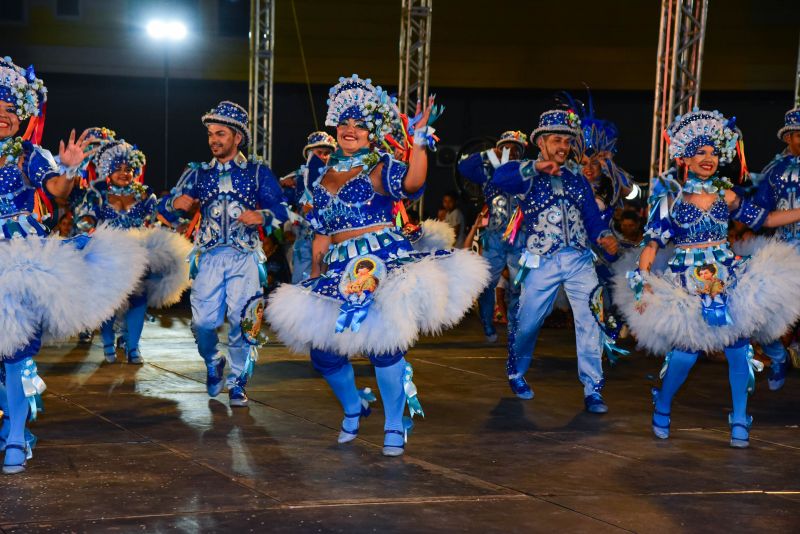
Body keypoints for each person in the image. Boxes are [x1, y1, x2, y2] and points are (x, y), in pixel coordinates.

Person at [267, 75, 489, 457]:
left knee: (385, 347)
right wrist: (315, 273)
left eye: (359, 125)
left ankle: (391, 423)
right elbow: (321, 231)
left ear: (372, 133)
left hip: (381, 259)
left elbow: (414, 182)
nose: (350, 130)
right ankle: (354, 407)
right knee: (324, 352)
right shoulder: (320, 175)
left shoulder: (380, 165)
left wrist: (418, 143)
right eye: (344, 123)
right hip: (337, 265)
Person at [614, 109, 800, 448]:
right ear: (685, 157)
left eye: (714, 152)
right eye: (701, 152)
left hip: (726, 278)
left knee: (739, 350)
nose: (709, 158)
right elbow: (652, 244)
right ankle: (664, 403)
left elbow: (767, 219)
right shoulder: (669, 200)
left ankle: (740, 418)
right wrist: (643, 284)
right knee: (685, 355)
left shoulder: (727, 196)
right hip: (687, 282)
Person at [0, 57, 146, 473]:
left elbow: (58, 191)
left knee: (13, 352)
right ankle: (13, 418)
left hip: (18, 259)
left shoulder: (28, 155)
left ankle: (14, 437)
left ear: (22, 116)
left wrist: (68, 166)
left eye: (11, 110)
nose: (3, 117)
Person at [158, 101, 288, 408]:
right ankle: (214, 361)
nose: (214, 140)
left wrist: (263, 216)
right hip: (210, 258)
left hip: (245, 257)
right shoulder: (197, 173)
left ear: (237, 138)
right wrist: (176, 207)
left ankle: (237, 382)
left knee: (243, 322)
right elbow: (167, 211)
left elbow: (283, 209)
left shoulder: (257, 173)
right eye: (211, 134)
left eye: (221, 134)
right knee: (203, 323)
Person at [491, 109, 618, 413]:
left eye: (567, 140)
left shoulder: (578, 178)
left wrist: (603, 234)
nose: (563, 146)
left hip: (578, 259)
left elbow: (591, 217)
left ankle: (593, 388)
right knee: (528, 322)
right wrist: (535, 167)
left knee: (591, 319)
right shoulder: (527, 172)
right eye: (557, 139)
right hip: (541, 260)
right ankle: (516, 372)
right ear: (542, 142)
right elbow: (500, 177)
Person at [76, 140, 192, 364]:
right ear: (108, 171)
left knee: (138, 299)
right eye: (118, 169)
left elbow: (154, 221)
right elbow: (84, 219)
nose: (124, 173)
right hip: (107, 255)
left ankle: (133, 347)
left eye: (128, 169)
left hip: (136, 255)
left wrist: (170, 225)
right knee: (108, 301)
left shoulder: (145, 195)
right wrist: (88, 224)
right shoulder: (97, 194)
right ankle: (109, 345)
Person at [746, 107, 800, 390]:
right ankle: (778, 357)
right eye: (798, 135)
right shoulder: (776, 171)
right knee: (763, 315)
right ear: (788, 138)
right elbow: (760, 211)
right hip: (783, 250)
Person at [457, 131, 528, 342]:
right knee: (486, 283)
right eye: (506, 147)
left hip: (520, 238)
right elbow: (464, 167)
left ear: (521, 153)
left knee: (519, 286)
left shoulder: (526, 172)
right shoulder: (488, 172)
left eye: (515, 149)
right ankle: (488, 324)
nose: (510, 151)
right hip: (495, 238)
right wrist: (488, 154)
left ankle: (515, 329)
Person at [280, 131, 336, 283]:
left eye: (327, 153)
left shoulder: (337, 178)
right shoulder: (297, 179)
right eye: (319, 153)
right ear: (310, 154)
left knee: (327, 283)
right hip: (304, 240)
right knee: (301, 283)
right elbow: (279, 203)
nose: (324, 157)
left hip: (330, 240)